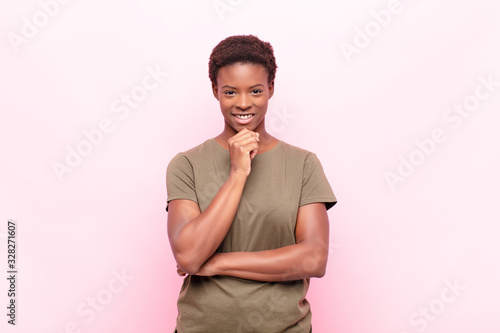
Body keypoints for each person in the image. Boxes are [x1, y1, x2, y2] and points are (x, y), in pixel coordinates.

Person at [165, 35, 337, 333]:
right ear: (215, 91)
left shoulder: (303, 164)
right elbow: (190, 254)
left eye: (255, 90)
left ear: (270, 89)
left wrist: (215, 263)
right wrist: (238, 173)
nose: (243, 103)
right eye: (230, 92)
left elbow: (313, 258)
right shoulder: (187, 164)